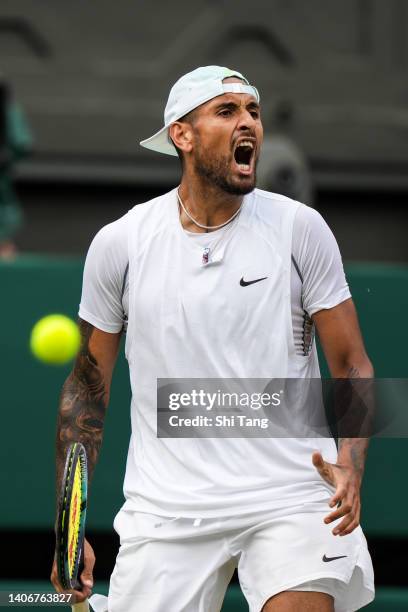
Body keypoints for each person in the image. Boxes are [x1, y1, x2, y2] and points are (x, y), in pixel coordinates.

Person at [51, 66, 374, 612]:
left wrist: (351, 460)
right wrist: (70, 519)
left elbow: (353, 365)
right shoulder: (121, 244)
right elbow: (88, 390)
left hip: (290, 496)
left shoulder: (302, 230)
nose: (247, 122)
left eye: (253, 111)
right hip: (168, 508)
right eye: (226, 112)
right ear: (183, 135)